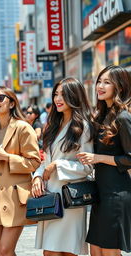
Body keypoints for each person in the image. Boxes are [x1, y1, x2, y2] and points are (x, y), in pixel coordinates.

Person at [32, 78, 94, 256]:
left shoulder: (83, 127)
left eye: (63, 95)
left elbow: (88, 167)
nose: (58, 99)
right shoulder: (53, 126)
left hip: (71, 198)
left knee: (67, 252)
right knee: (50, 252)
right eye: (56, 94)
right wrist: (37, 176)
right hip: (51, 197)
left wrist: (58, 165)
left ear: (74, 96)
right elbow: (46, 162)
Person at [0, 86, 41, 256]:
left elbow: (35, 162)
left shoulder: (22, 127)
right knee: (0, 251)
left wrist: (7, 157)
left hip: (14, 196)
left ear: (12, 103)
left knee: (6, 250)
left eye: (0, 98)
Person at [77, 65, 131, 256]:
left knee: (108, 252)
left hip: (117, 195)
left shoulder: (123, 117)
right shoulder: (101, 116)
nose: (100, 86)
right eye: (99, 81)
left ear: (120, 87)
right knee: (96, 251)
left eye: (107, 82)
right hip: (100, 195)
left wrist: (98, 158)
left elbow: (129, 159)